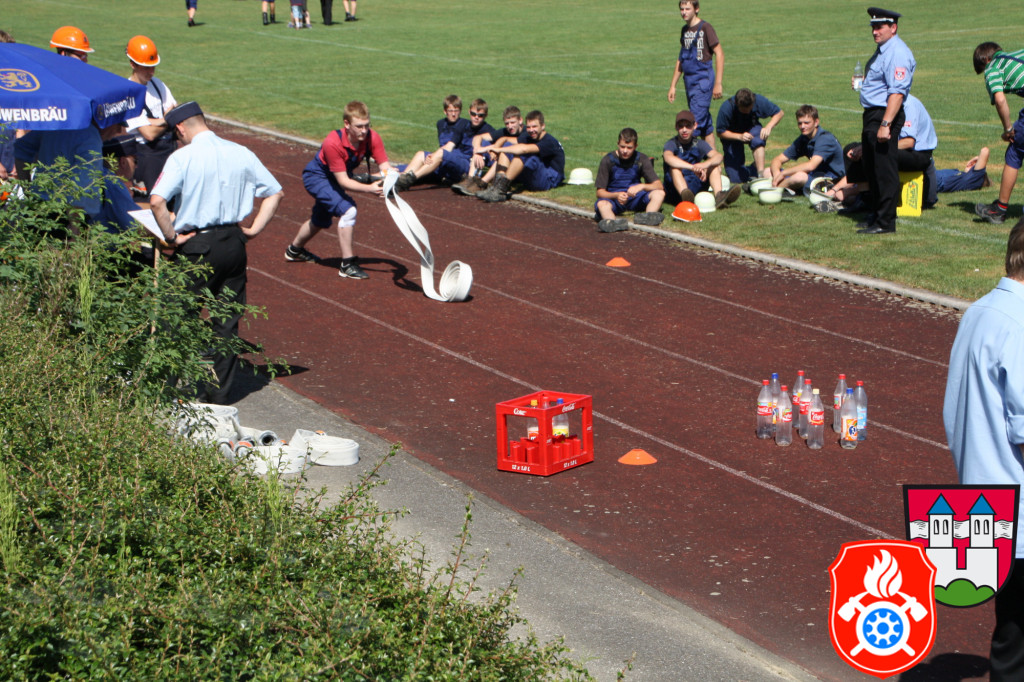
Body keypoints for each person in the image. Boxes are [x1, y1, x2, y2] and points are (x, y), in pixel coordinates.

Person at [150, 102, 283, 404]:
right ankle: (220, 395)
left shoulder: (182, 156)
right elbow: (275, 192)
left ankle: (165, 390)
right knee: (227, 322)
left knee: (176, 317)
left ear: (180, 128)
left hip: (197, 245)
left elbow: (157, 201)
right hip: (233, 242)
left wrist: (171, 237)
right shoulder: (241, 152)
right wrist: (253, 229)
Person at [943, 217, 1024, 682]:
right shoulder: (1021, 325)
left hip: (986, 502)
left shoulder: (979, 311)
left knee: (1012, 634)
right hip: (1020, 503)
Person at [284, 100, 394, 280]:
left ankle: (294, 250)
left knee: (320, 220)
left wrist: (392, 179)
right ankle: (347, 264)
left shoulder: (372, 137)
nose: (364, 131)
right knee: (348, 210)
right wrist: (370, 188)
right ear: (346, 124)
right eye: (359, 126)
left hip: (337, 177)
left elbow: (385, 167)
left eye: (367, 125)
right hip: (318, 178)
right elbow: (343, 182)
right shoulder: (332, 142)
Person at [855, 7, 915, 235]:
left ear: (893, 27)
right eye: (873, 26)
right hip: (874, 114)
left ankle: (886, 222)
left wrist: (886, 124)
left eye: (879, 27)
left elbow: (897, 93)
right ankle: (876, 215)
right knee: (872, 167)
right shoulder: (884, 49)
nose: (874, 31)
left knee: (884, 169)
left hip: (884, 115)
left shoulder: (897, 52)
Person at [825, 93, 936, 209]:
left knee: (876, 153)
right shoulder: (883, 104)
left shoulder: (908, 105)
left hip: (918, 154)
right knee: (851, 150)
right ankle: (863, 197)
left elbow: (908, 142)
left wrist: (871, 147)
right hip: (893, 148)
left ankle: (868, 198)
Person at [972, 42, 1024, 225]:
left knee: (1015, 151)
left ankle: (999, 210)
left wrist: (1008, 130)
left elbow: (1000, 100)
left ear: (986, 60)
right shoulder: (1018, 54)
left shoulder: (992, 68)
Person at [124, 35, 177, 198]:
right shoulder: (128, 93)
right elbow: (148, 134)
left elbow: (175, 113)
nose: (151, 72)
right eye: (146, 67)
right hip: (147, 158)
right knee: (151, 203)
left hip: (169, 150)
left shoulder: (157, 84)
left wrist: (155, 122)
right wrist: (166, 119)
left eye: (153, 67)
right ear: (133, 64)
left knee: (174, 200)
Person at [667, 0, 723, 147]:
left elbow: (719, 53)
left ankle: (688, 158)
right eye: (682, 9)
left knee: (693, 125)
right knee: (706, 127)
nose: (684, 12)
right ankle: (713, 160)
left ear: (696, 9)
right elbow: (681, 58)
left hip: (702, 81)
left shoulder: (705, 28)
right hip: (689, 82)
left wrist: (718, 83)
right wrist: (673, 85)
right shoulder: (685, 30)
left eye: (687, 9)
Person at [476, 109, 565, 203]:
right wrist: (497, 147)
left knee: (524, 154)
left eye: (534, 126)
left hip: (549, 180)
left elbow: (524, 149)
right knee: (508, 147)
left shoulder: (549, 141)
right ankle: (497, 186)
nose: (531, 130)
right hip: (535, 175)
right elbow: (506, 139)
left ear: (542, 126)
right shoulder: (529, 136)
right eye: (529, 127)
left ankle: (500, 190)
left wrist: (499, 150)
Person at [594, 128, 667, 232]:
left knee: (659, 193)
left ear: (635, 146)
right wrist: (616, 195)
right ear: (617, 144)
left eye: (629, 148)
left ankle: (649, 216)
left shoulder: (641, 159)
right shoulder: (608, 160)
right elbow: (599, 192)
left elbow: (659, 185)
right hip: (614, 199)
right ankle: (612, 222)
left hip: (635, 198)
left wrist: (642, 186)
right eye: (622, 146)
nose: (625, 151)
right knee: (602, 204)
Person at [662, 110, 739, 208]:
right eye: (681, 126)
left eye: (688, 126)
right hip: (675, 190)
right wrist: (692, 167)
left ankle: (719, 196)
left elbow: (718, 156)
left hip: (694, 182)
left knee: (714, 165)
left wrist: (704, 165)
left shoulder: (699, 143)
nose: (684, 130)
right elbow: (668, 158)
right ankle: (686, 197)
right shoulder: (671, 143)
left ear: (695, 126)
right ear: (676, 127)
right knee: (674, 168)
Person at [395, 95, 470, 190]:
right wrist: (433, 157)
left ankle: (410, 179)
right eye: (451, 111)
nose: (454, 114)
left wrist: (434, 155)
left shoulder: (464, 123)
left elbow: (449, 147)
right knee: (420, 155)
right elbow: (442, 147)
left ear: (460, 111)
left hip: (458, 162)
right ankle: (402, 179)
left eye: (456, 111)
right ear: (445, 111)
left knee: (437, 155)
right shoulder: (441, 124)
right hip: (443, 161)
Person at [768, 105, 844, 194]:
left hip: (832, 179)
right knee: (768, 171)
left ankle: (774, 191)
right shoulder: (804, 138)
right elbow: (777, 160)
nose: (802, 126)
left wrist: (784, 173)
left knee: (800, 177)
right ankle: (782, 188)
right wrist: (777, 176)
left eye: (806, 123)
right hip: (815, 174)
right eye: (800, 123)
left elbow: (811, 166)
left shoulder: (825, 139)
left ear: (816, 122)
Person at [716, 88, 784, 183]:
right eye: (744, 110)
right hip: (732, 135)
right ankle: (753, 169)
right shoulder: (726, 108)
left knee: (758, 139)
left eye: (750, 109)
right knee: (736, 179)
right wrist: (739, 136)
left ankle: (761, 175)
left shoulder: (758, 100)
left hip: (752, 128)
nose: (748, 112)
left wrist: (768, 127)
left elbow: (779, 113)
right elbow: (720, 132)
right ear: (737, 104)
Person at [453, 106, 523, 196]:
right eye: (507, 123)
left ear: (520, 120)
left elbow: (513, 146)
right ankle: (470, 179)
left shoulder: (526, 133)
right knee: (483, 143)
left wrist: (493, 148)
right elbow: (478, 137)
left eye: (513, 122)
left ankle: (482, 183)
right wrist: (478, 151)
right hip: (502, 164)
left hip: (518, 169)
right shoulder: (505, 131)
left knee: (504, 151)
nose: (510, 126)